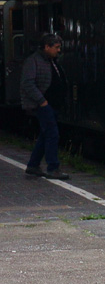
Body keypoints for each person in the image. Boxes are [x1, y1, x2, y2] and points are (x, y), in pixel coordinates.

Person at [21, 33, 70, 180]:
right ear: (46, 47)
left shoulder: (52, 61)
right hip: (43, 104)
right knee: (52, 134)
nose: (59, 50)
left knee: (45, 135)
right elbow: (28, 83)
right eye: (56, 47)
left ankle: (33, 165)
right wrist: (42, 101)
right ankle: (52, 167)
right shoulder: (34, 61)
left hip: (52, 104)